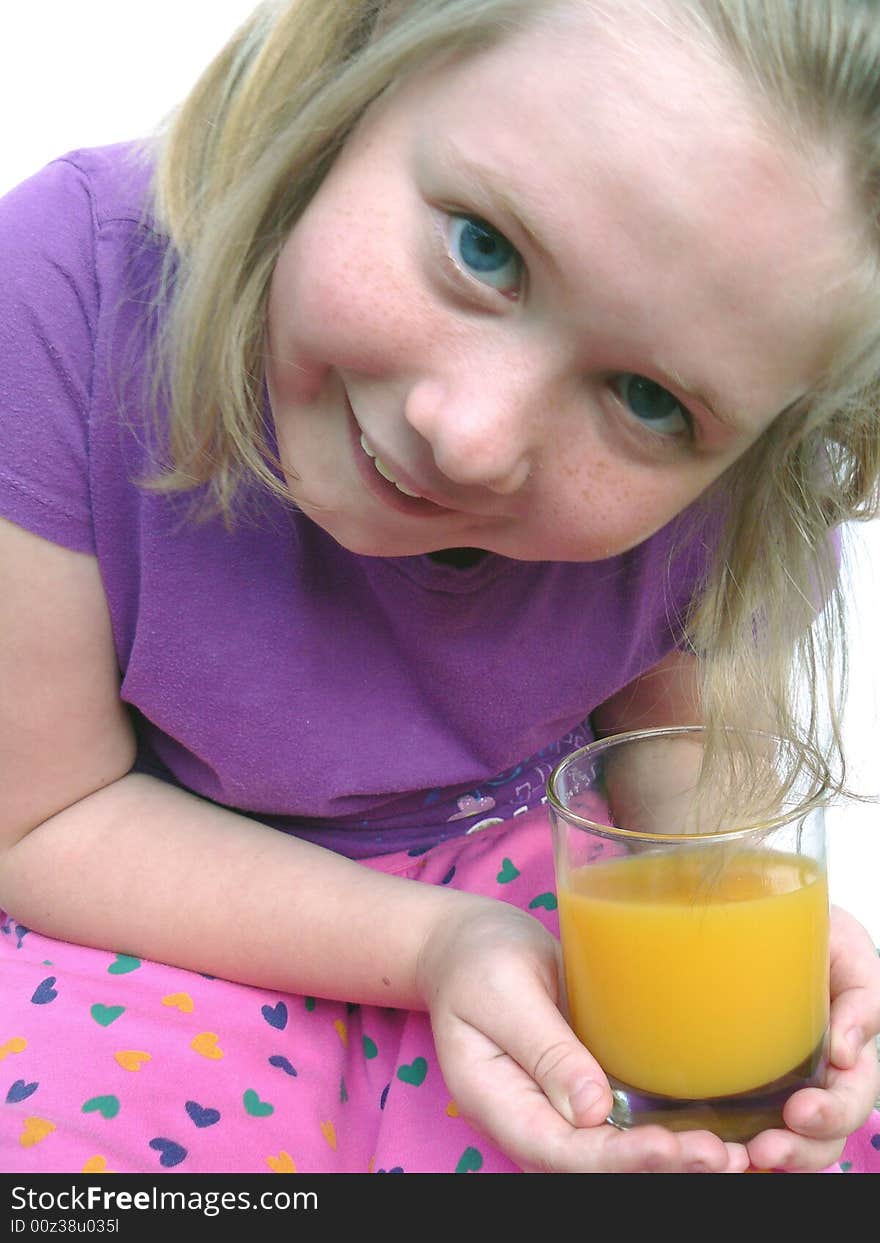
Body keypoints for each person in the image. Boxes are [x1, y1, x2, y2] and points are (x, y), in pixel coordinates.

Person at [0, 0, 878, 1176]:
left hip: (542, 906)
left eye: (648, 402)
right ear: (352, 69)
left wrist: (733, 909)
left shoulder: (728, 445)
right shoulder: (68, 290)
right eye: (484, 249)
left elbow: (680, 754)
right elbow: (47, 816)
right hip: (145, 898)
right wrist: (434, 943)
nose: (468, 438)